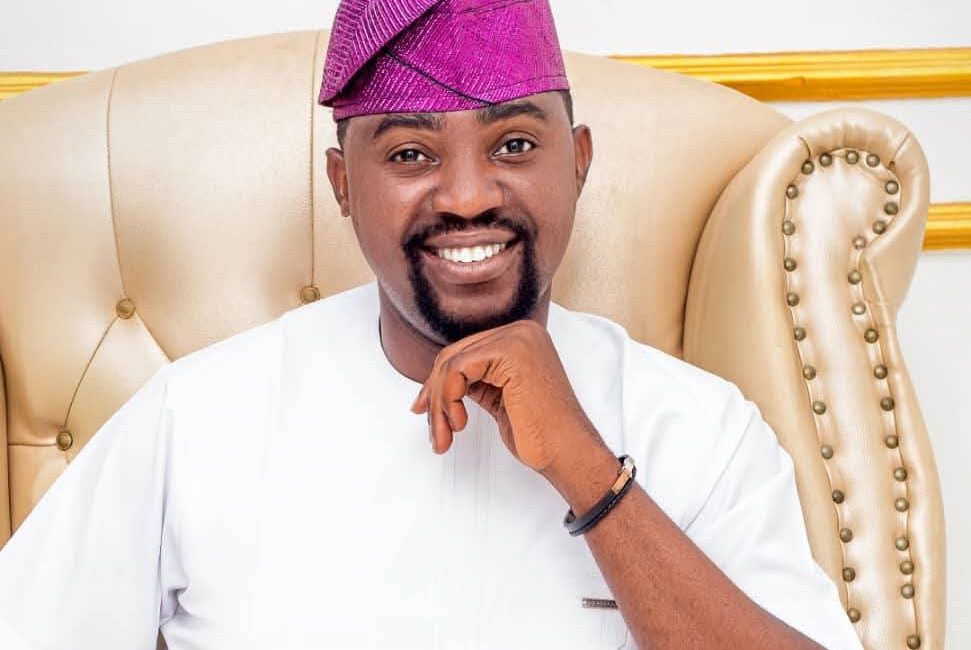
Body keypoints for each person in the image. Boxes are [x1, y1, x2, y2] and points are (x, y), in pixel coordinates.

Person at [0, 1, 864, 648]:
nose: (468, 196)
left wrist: (588, 472)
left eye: (514, 145)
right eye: (410, 154)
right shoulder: (199, 416)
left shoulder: (700, 428)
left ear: (578, 163)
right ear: (342, 185)